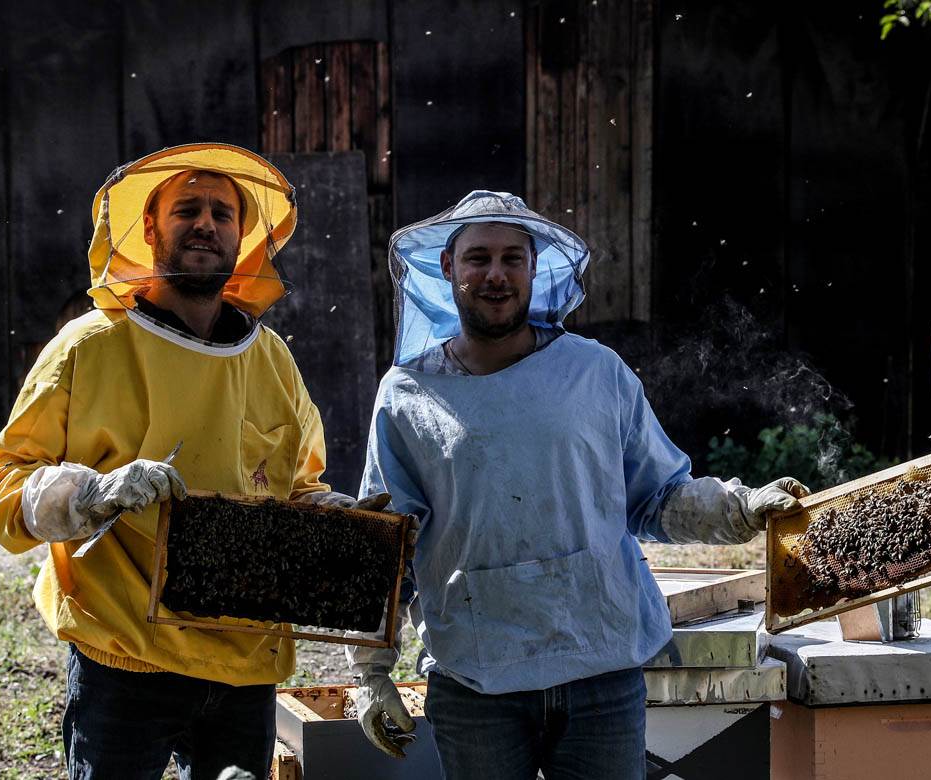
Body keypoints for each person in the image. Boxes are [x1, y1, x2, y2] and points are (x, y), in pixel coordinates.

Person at [345, 191, 809, 779]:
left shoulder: (596, 372)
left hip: (600, 672)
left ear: (535, 269)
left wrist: (741, 508)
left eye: (513, 258)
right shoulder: (406, 395)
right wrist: (370, 673)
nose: (496, 274)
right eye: (478, 257)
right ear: (446, 267)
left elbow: (658, 496)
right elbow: (384, 546)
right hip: (475, 678)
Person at [0, 143, 376, 779]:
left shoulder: (270, 358)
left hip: (245, 665)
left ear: (242, 238)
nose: (205, 224)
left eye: (223, 213)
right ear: (149, 228)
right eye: (186, 209)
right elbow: (2, 485)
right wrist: (88, 495)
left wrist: (340, 521)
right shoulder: (89, 346)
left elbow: (298, 486)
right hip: (125, 656)